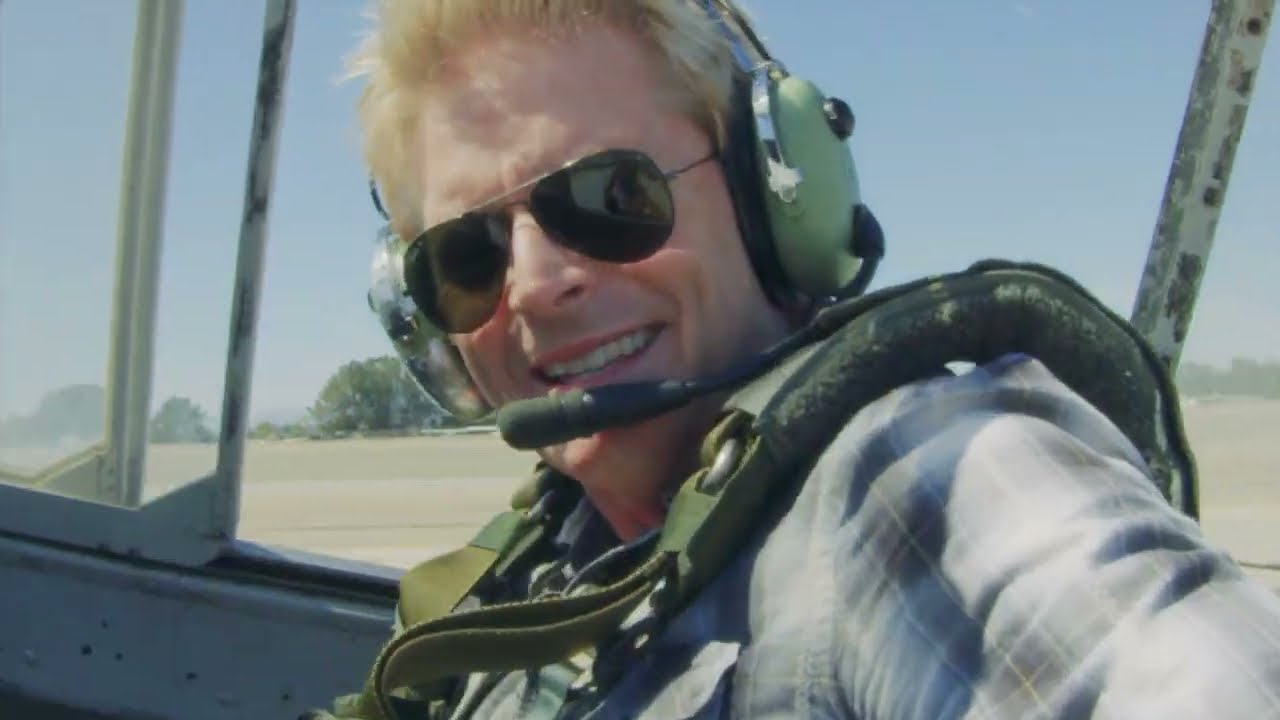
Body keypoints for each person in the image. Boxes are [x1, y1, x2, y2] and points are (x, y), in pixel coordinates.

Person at [313, 1, 1280, 718]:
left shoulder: (920, 480)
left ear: (773, 194)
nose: (532, 286)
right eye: (465, 257)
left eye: (609, 198)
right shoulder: (533, 570)